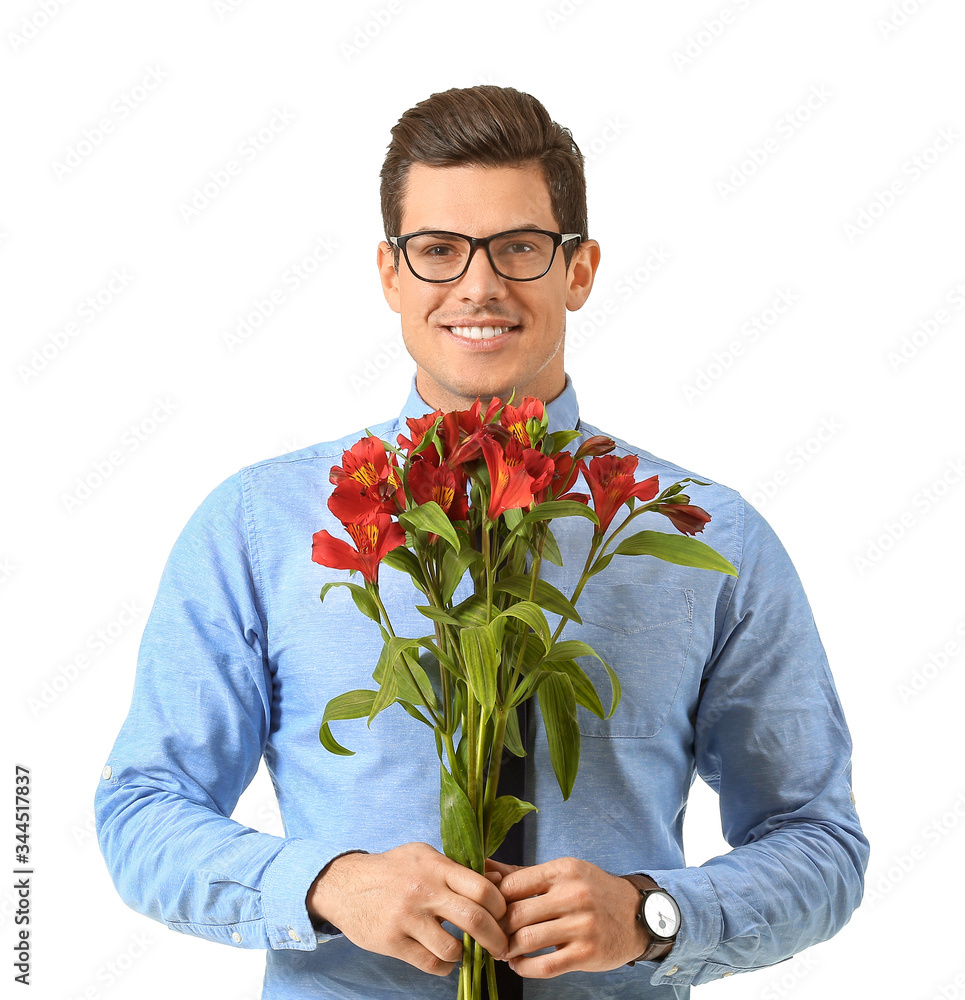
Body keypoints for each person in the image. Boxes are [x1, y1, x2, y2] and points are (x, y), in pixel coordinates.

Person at [95, 85, 869, 999]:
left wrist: (655, 913)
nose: (479, 285)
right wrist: (326, 883)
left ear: (577, 270)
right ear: (389, 273)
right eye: (437, 251)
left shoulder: (706, 532)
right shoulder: (259, 524)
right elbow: (142, 809)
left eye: (519, 248)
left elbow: (818, 841)